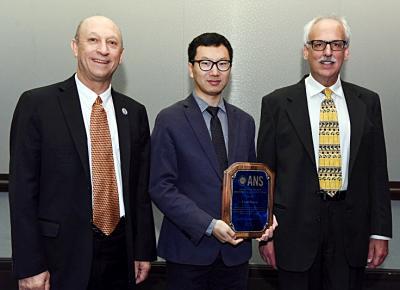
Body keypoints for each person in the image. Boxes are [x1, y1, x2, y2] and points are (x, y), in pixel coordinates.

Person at [9, 16, 156, 290]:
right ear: (75, 47)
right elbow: (22, 192)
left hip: (120, 253)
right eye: (93, 40)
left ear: (121, 55)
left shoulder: (134, 113)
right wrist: (30, 265)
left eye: (112, 43)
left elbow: (140, 191)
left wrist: (142, 250)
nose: (103, 50)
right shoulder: (37, 105)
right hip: (58, 259)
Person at [257, 16, 392, 290]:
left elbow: (377, 170)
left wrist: (380, 232)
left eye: (336, 44)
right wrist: (265, 235)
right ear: (305, 51)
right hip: (293, 233)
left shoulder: (368, 102)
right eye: (319, 44)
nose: (327, 52)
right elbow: (265, 173)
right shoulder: (276, 104)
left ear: (347, 51)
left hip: (351, 233)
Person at [149, 32, 275, 290]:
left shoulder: (245, 121)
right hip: (188, 252)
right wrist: (208, 225)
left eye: (222, 63)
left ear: (230, 68)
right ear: (191, 68)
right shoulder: (169, 119)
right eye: (205, 63)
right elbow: (160, 186)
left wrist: (264, 215)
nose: (214, 71)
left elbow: (252, 181)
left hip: (235, 256)